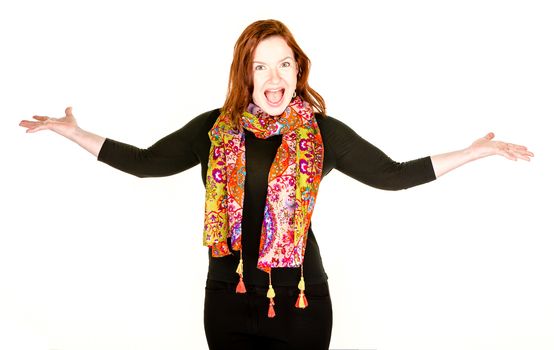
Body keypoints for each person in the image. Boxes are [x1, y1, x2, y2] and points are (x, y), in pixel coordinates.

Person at [19, 19, 533, 350]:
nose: (273, 75)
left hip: (301, 303)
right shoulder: (212, 129)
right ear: (245, 74)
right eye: (260, 65)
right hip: (226, 297)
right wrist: (74, 132)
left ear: (297, 69)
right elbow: (144, 162)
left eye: (283, 63)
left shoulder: (320, 134)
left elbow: (392, 175)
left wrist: (473, 152)